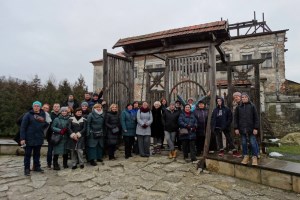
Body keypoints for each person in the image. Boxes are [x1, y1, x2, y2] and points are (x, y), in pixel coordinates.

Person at [20, 101, 47, 176]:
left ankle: (37, 167)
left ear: (40, 107)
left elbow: (44, 124)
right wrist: (22, 138)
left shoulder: (43, 114)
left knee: (37, 154)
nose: (36, 107)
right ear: (32, 106)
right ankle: (27, 169)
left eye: (38, 106)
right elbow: (23, 127)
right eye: (35, 106)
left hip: (39, 137)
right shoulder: (28, 115)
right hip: (29, 138)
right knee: (27, 155)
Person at [234, 93, 260, 165]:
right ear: (241, 99)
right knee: (244, 143)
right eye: (242, 97)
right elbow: (235, 118)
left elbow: (256, 118)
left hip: (251, 128)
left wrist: (256, 128)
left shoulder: (252, 106)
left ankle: (254, 157)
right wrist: (236, 128)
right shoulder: (238, 107)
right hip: (242, 128)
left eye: (245, 97)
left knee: (253, 142)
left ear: (248, 98)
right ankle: (246, 156)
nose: (244, 98)